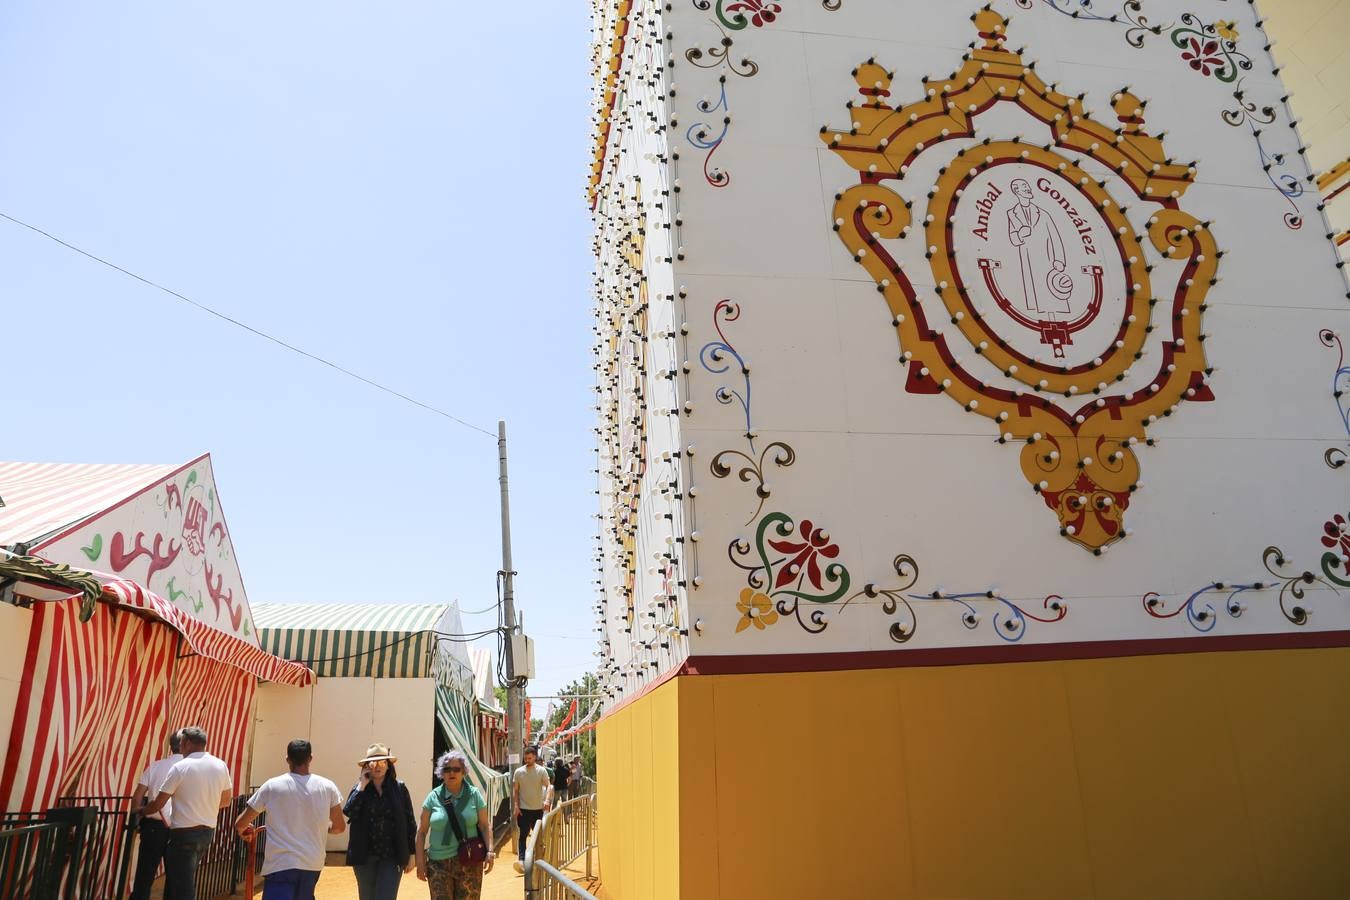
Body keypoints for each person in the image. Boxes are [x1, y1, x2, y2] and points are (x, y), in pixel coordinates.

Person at [234, 739, 345, 900]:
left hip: (280, 863)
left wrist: (243, 830)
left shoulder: (272, 786)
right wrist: (322, 826)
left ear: (288, 759)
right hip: (312, 863)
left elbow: (241, 823)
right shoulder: (328, 787)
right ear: (310, 758)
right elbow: (339, 827)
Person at [141, 726, 233, 900]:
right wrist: (205, 806)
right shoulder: (220, 765)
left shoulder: (181, 767)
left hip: (183, 833)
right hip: (207, 832)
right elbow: (227, 800)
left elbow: (159, 802)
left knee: (182, 886)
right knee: (181, 881)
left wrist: (142, 811)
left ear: (188, 743)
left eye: (182, 742)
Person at [415, 750, 495, 898]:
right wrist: (420, 862)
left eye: (456, 769)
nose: (451, 773)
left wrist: (490, 851)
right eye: (447, 769)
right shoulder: (433, 797)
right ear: (441, 773)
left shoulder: (474, 794)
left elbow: (485, 825)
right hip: (438, 863)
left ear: (463, 772)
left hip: (470, 861)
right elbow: (421, 832)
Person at [344, 743, 417, 899]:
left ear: (388, 765)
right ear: (366, 766)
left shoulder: (399, 788)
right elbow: (349, 811)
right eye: (373, 762)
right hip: (364, 855)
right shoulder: (360, 788)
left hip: (392, 854)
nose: (377, 766)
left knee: (386, 896)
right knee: (367, 897)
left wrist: (411, 853)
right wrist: (362, 785)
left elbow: (410, 822)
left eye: (382, 762)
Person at [129, 729, 183, 900]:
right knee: (175, 878)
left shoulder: (155, 765)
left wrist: (138, 814)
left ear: (171, 746)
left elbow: (137, 795)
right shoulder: (189, 768)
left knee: (144, 875)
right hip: (179, 828)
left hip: (152, 826)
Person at [510, 745, 552, 874]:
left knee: (538, 837)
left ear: (535, 757)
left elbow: (549, 786)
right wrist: (516, 806)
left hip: (538, 809)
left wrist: (547, 800)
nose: (527, 760)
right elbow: (515, 790)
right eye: (525, 758)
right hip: (523, 810)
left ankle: (539, 860)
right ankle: (522, 861)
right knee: (523, 836)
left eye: (529, 758)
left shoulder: (541, 771)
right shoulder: (518, 772)